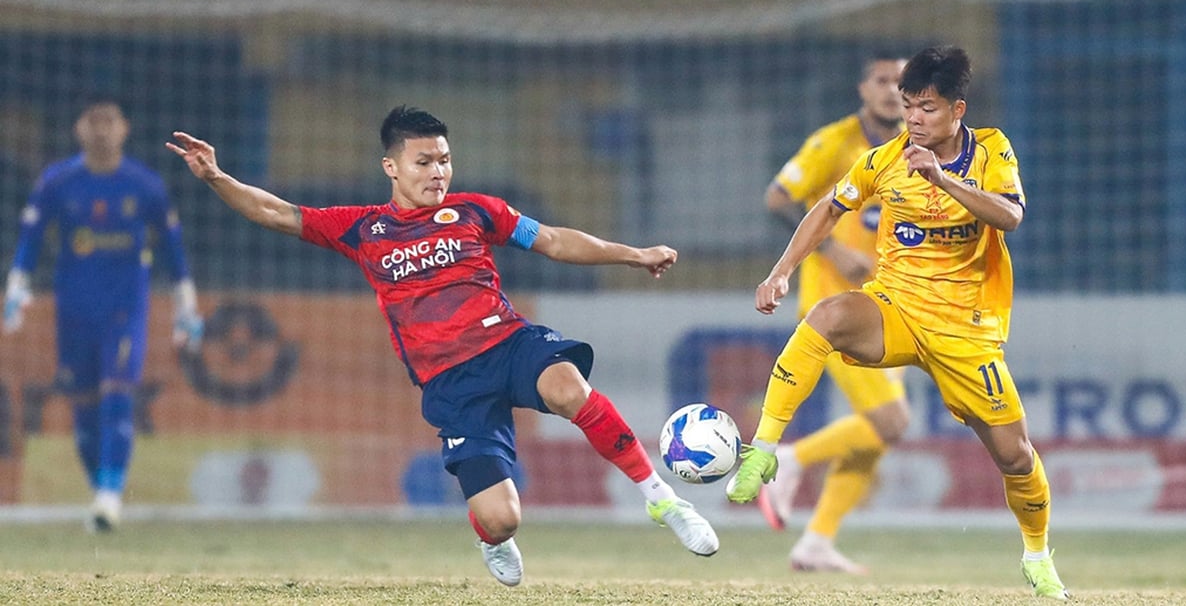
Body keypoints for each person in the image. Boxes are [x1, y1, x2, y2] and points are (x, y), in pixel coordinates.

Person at [166, 105, 719, 587]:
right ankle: (493, 540)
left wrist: (633, 253)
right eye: (424, 162)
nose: (438, 172)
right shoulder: (362, 229)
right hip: (451, 382)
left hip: (506, 342)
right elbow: (275, 212)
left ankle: (665, 500)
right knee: (502, 518)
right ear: (392, 166)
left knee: (567, 387)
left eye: (445, 160)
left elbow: (551, 239)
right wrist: (217, 176)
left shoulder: (477, 211)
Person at [725, 46, 1069, 600]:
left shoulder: (991, 150)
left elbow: (1010, 215)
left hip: (966, 330)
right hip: (897, 308)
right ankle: (764, 449)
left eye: (926, 108)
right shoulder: (882, 159)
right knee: (827, 316)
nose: (913, 118)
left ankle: (1036, 554)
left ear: (957, 110)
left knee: (1015, 456)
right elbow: (827, 208)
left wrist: (942, 179)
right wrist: (781, 272)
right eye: (908, 106)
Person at [3, 97, 203, 532]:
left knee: (118, 393)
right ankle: (102, 492)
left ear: (124, 128)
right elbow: (30, 240)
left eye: (109, 120)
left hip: (125, 309)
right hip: (73, 310)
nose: (101, 129)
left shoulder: (145, 186)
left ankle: (110, 495)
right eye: (93, 120)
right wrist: (16, 286)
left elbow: (173, 250)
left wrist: (186, 303)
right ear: (79, 128)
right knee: (83, 406)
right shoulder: (58, 183)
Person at [757, 54, 908, 574]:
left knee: (880, 430)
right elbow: (778, 198)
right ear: (863, 89)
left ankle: (816, 541)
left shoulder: (917, 147)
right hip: (834, 307)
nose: (892, 90)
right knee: (891, 422)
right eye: (882, 80)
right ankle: (791, 461)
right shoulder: (835, 142)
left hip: (888, 302)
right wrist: (831, 251)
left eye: (902, 82)